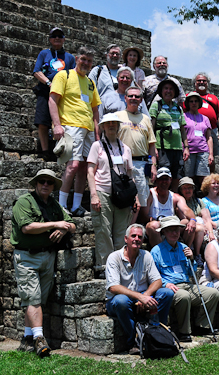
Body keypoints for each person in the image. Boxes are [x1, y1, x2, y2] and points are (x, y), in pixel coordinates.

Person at [11, 169, 76, 357]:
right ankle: (40, 340)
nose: (45, 184)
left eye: (49, 182)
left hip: (48, 256)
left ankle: (27, 338)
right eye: (42, 182)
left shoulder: (54, 205)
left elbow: (71, 224)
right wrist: (55, 224)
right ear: (36, 184)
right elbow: (27, 227)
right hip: (27, 257)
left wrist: (64, 230)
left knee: (38, 299)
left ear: (53, 186)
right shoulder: (24, 202)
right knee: (33, 298)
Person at [105, 224, 174, 355]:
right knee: (121, 301)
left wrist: (146, 296)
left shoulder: (146, 255)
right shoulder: (114, 257)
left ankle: (158, 333)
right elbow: (113, 287)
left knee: (167, 293)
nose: (136, 239)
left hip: (141, 296)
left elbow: (158, 280)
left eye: (140, 237)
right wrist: (139, 297)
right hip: (119, 300)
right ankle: (133, 341)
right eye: (133, 236)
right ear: (126, 239)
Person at [49, 45, 101, 216]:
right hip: (71, 125)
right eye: (83, 59)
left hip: (89, 129)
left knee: (85, 168)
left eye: (89, 61)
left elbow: (95, 111)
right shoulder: (64, 75)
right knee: (73, 165)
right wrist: (57, 125)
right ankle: (61, 204)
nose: (86, 63)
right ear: (77, 59)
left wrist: (97, 135)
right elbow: (53, 100)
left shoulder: (91, 82)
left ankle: (76, 205)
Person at [150, 216, 219, 342]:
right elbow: (152, 275)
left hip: (187, 284)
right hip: (171, 287)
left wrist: (191, 259)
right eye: (170, 230)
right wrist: (165, 284)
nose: (174, 233)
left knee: (213, 293)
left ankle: (202, 326)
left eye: (176, 230)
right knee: (183, 296)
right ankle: (184, 332)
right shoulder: (156, 251)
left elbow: (190, 272)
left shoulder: (183, 247)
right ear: (164, 232)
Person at [86, 113, 137, 277]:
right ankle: (104, 267)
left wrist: (134, 196)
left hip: (122, 194)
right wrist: (93, 195)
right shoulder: (97, 146)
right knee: (103, 230)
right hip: (103, 191)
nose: (111, 126)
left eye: (114, 123)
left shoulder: (125, 148)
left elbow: (130, 174)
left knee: (121, 232)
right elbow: (89, 172)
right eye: (108, 124)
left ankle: (120, 267)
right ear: (102, 127)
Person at [115, 86, 157, 224]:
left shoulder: (145, 119)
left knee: (140, 201)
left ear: (141, 100)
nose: (134, 99)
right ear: (125, 98)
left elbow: (151, 145)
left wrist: (153, 166)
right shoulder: (118, 116)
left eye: (137, 96)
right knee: (122, 198)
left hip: (141, 164)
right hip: (121, 163)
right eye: (131, 96)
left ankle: (132, 229)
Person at [32, 27, 76, 161]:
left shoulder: (69, 57)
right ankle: (45, 150)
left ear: (64, 39)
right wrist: (48, 83)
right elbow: (37, 71)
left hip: (63, 92)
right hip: (46, 90)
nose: (57, 38)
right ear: (50, 39)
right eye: (54, 36)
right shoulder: (44, 54)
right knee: (43, 121)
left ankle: (62, 149)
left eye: (60, 36)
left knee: (63, 121)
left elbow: (73, 74)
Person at [149, 79, 188, 191]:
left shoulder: (178, 108)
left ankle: (173, 200)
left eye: (171, 89)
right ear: (161, 91)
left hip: (177, 148)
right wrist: (153, 147)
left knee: (177, 176)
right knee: (162, 176)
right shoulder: (156, 105)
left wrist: (186, 148)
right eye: (166, 88)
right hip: (162, 148)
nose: (168, 91)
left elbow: (182, 129)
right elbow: (151, 127)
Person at [144, 167, 197, 249]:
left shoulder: (175, 197)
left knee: (187, 222)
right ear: (157, 180)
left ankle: (185, 251)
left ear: (170, 180)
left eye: (166, 179)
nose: (164, 182)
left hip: (171, 224)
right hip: (157, 225)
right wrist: (154, 221)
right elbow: (144, 215)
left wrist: (193, 220)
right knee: (153, 225)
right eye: (161, 179)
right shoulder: (150, 194)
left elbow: (186, 210)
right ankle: (161, 253)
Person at [189, 72, 219, 173]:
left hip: (211, 130)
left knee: (211, 156)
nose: (201, 82)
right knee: (194, 155)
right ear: (194, 83)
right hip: (193, 130)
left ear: (207, 83)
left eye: (204, 81)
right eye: (199, 81)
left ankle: (211, 179)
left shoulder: (213, 98)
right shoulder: (188, 97)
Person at [177, 177, 215, 265]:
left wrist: (211, 232)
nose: (188, 190)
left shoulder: (198, 201)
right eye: (185, 188)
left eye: (190, 187)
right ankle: (196, 255)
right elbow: (184, 219)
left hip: (201, 229)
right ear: (181, 190)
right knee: (199, 228)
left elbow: (207, 218)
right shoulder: (179, 202)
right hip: (185, 229)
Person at [183, 91, 213, 190]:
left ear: (199, 103)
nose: (194, 103)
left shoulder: (205, 118)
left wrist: (211, 154)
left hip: (203, 150)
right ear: (188, 103)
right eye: (191, 101)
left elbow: (209, 137)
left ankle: (205, 197)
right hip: (189, 151)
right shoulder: (183, 116)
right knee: (189, 177)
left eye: (196, 101)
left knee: (204, 177)